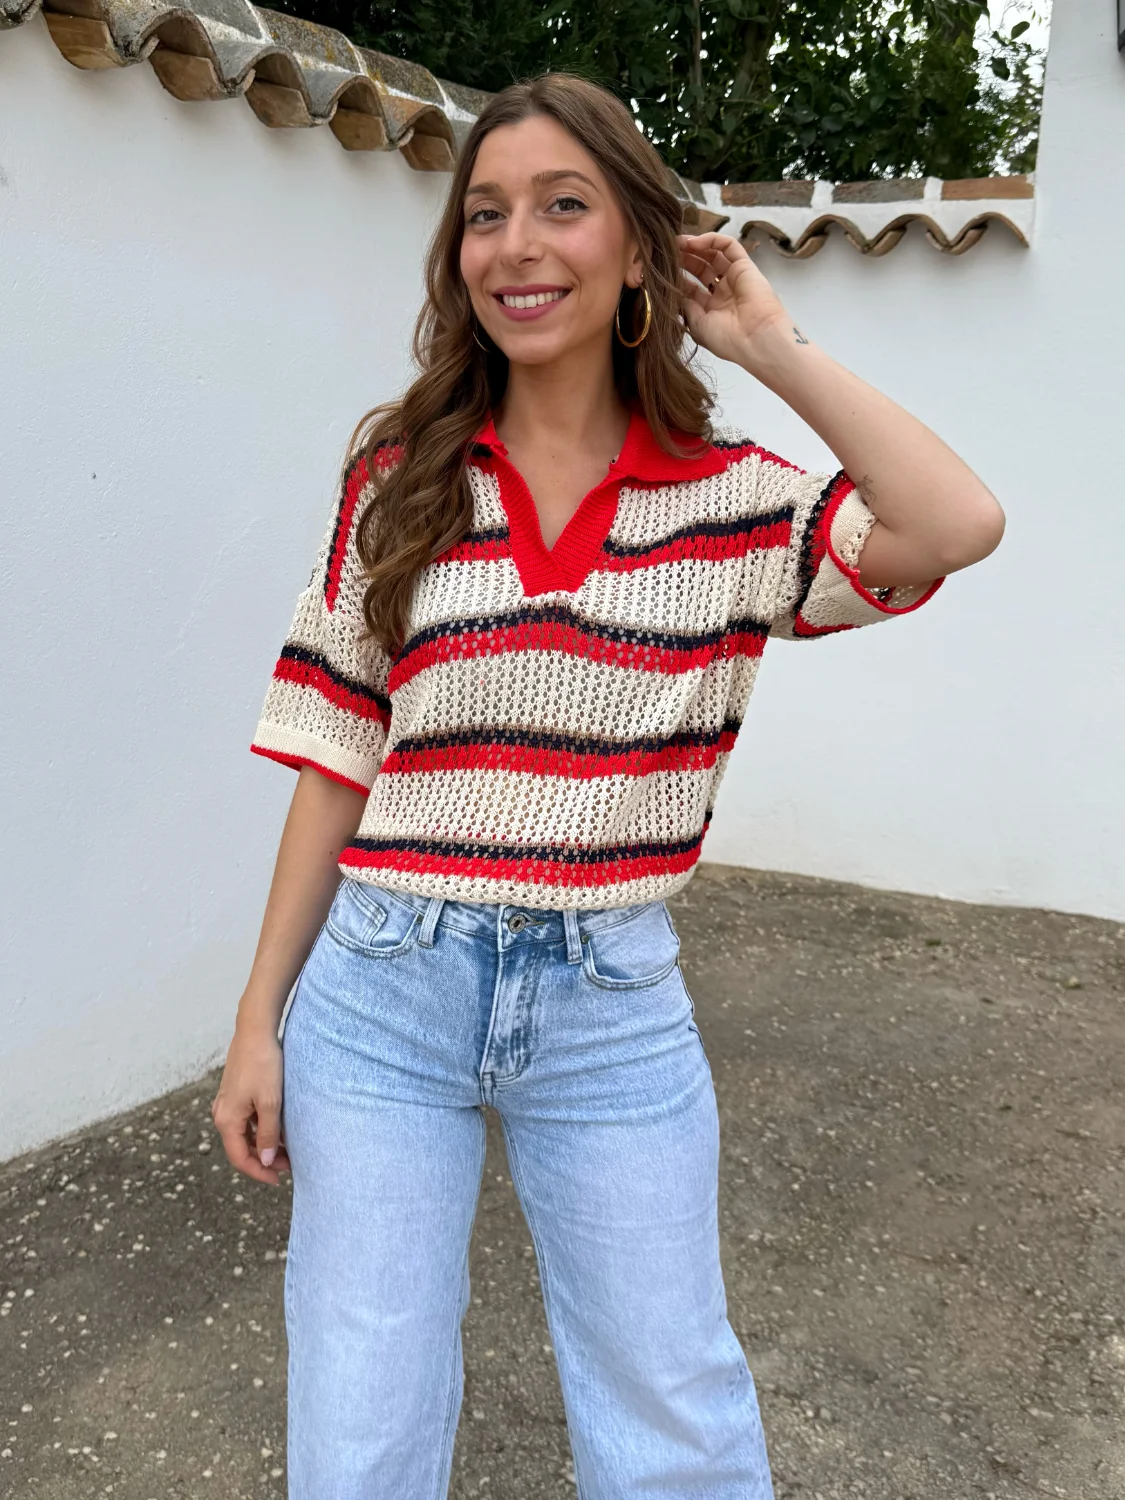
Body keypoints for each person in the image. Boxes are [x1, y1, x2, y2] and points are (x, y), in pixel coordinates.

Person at [212, 71, 1004, 1500]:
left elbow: (955, 523)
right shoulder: (398, 474)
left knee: (672, 1414)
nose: (516, 246)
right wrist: (257, 1018)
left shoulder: (734, 499)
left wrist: (764, 341)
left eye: (564, 207)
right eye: (485, 215)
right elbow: (337, 753)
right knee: (360, 1404)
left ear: (640, 248)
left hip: (609, 1005)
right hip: (381, 992)